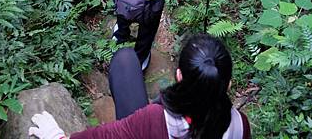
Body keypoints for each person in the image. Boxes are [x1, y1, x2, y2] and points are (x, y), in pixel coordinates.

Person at [29, 34, 251, 139]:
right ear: (228, 84)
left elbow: (104, 138)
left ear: (179, 75)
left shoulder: (154, 120)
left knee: (125, 60)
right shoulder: (240, 127)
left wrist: (56, 136)